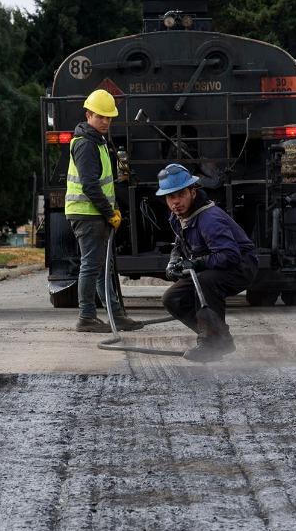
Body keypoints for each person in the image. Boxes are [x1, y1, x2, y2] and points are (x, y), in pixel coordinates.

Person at [158, 163, 257, 362]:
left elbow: (230, 255)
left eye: (180, 195)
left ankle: (212, 341)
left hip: (240, 267)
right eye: (170, 197)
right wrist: (174, 261)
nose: (175, 202)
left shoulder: (209, 218)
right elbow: (179, 242)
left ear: (193, 192)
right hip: (211, 264)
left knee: (205, 281)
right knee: (172, 298)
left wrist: (196, 263)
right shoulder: (178, 217)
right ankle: (219, 337)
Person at [66, 89, 139, 333]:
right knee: (91, 265)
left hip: (94, 213)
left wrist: (113, 209)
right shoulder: (86, 144)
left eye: (109, 117)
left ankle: (115, 314)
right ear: (88, 115)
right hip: (87, 214)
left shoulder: (98, 141)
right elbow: (89, 185)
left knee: (100, 266)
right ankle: (86, 316)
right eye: (101, 117)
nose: (106, 121)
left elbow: (105, 183)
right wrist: (109, 212)